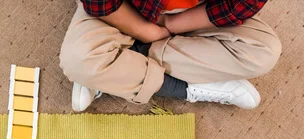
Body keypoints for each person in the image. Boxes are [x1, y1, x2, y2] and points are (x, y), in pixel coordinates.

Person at [60, 0, 282, 112]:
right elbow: (99, 3)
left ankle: (114, 71)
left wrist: (171, 25)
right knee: (79, 61)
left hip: (192, 14)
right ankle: (186, 88)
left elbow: (236, 7)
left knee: (264, 52)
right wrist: (144, 31)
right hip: (123, 9)